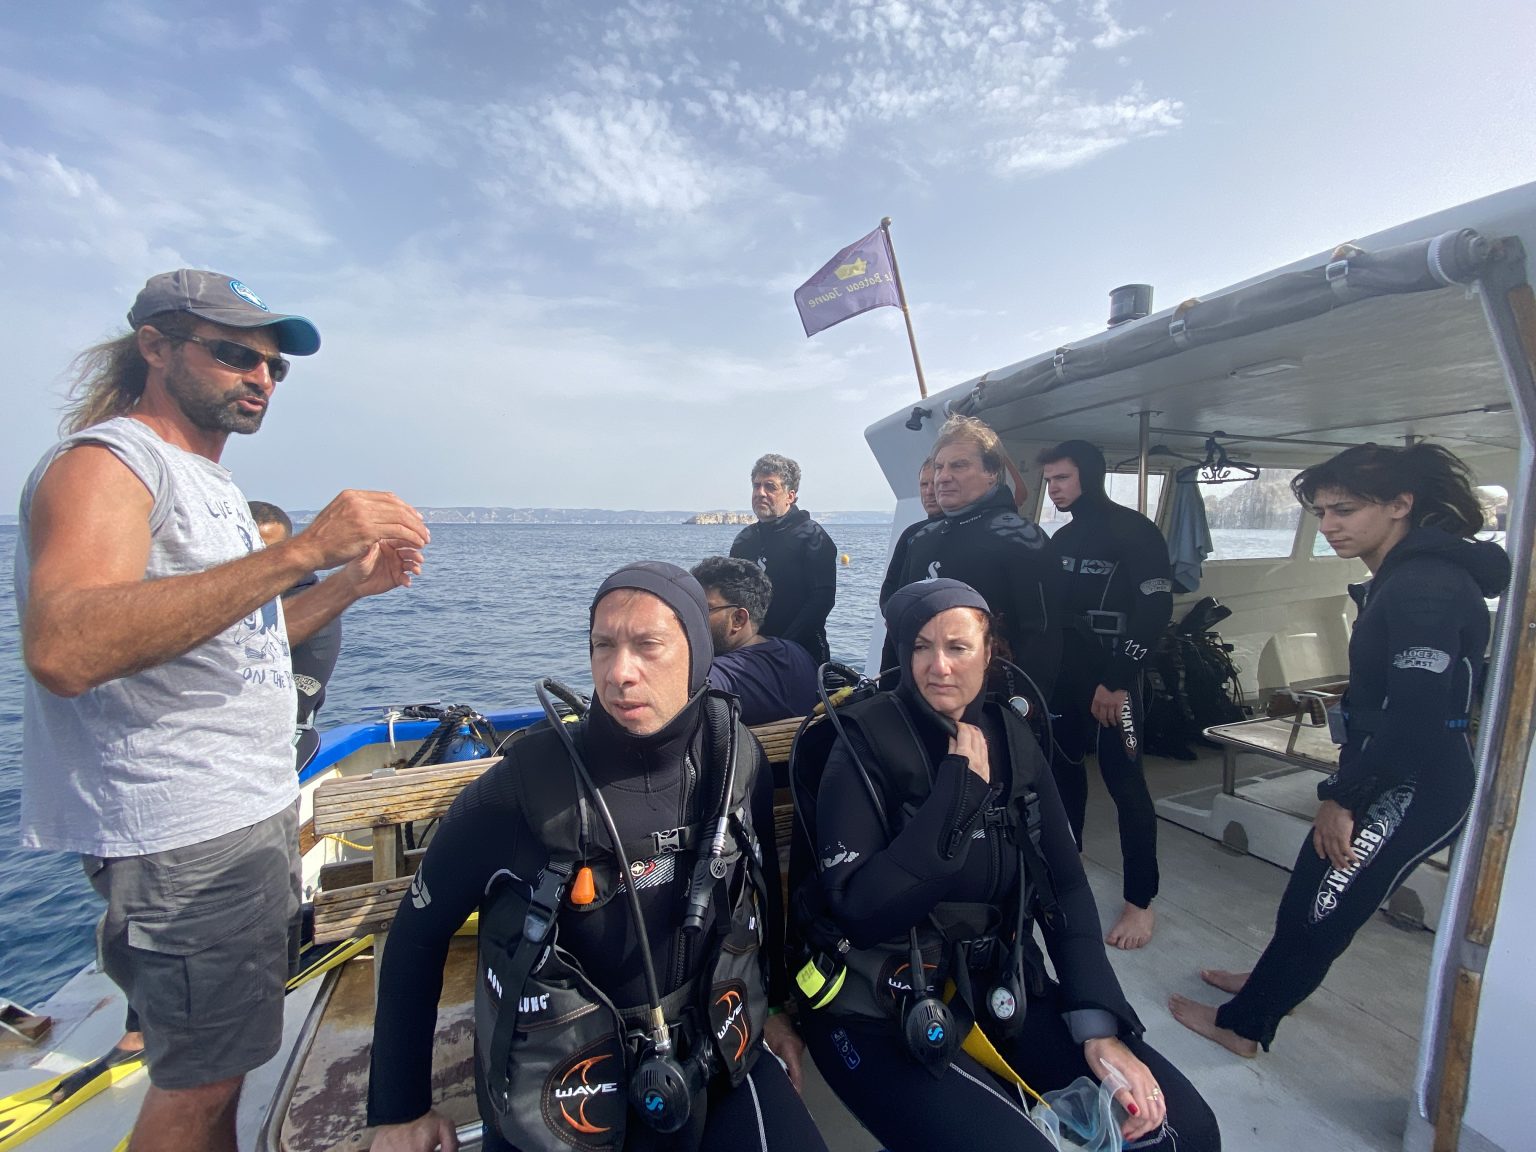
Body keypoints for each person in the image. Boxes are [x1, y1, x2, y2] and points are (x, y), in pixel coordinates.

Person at [16, 268, 429, 1152]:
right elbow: (65, 646)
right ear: (155, 348)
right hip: (183, 838)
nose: (261, 379)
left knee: (222, 1074)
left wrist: (347, 586)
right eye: (237, 354)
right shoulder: (111, 464)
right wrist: (308, 547)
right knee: (197, 1091)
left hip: (242, 818)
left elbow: (244, 637)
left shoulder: (206, 484)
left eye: (275, 367)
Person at [367, 562, 827, 1152]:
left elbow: (762, 892)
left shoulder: (734, 760)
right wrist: (399, 1107)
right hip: (561, 1089)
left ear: (697, 653)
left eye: (647, 646)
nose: (619, 673)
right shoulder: (524, 790)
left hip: (713, 1050)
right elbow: (417, 933)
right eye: (602, 646)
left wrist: (780, 1010)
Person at [792, 580, 1220, 1152]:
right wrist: (955, 802)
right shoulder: (861, 741)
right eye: (920, 647)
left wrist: (1097, 1025)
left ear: (990, 651)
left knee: (1182, 1133)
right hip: (878, 1003)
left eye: (958, 647)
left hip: (1000, 985)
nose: (938, 667)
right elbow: (860, 911)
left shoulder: (1013, 737)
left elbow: (1065, 886)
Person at [1170, 442, 1510, 1056]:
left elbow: (1419, 717)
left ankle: (1244, 1027)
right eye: (1321, 513)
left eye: (1345, 510)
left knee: (1324, 903)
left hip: (1418, 782)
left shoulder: (1424, 587)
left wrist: (1343, 797)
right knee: (1311, 890)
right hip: (1391, 770)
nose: (1329, 526)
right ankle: (1270, 985)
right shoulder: (1405, 575)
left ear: (1401, 505)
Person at [1039, 441, 1173, 951]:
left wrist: (1117, 682)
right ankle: (1067, 869)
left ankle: (1141, 902)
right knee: (1064, 772)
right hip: (1067, 677)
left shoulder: (1134, 532)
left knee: (1125, 784)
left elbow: (1155, 612)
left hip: (1118, 679)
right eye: (1049, 481)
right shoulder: (1062, 539)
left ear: (1089, 478)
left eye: (1063, 479)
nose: (1054, 489)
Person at [898, 416, 1063, 703]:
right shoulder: (922, 539)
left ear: (992, 472)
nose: (943, 476)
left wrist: (1026, 707)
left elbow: (1042, 633)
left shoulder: (1023, 539)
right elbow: (901, 624)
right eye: (940, 467)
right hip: (920, 697)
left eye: (959, 465)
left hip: (992, 702)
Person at [250, 500, 343, 771]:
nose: (263, 563)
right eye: (253, 552)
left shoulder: (307, 603)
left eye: (274, 552)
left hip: (283, 740)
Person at [729, 454, 837, 664]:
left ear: (790, 495)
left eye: (770, 486)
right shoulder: (745, 540)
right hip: (751, 650)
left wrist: (783, 645)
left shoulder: (812, 536)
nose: (760, 493)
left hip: (801, 650)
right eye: (756, 485)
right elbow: (731, 596)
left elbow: (822, 599)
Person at [691, 556, 818, 726]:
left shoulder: (725, 673)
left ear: (738, 619)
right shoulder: (796, 652)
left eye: (702, 608)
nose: (690, 615)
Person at [877, 457, 942, 611]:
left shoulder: (963, 532)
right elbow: (889, 588)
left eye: (935, 484)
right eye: (924, 484)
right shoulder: (911, 534)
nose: (929, 492)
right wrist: (894, 615)